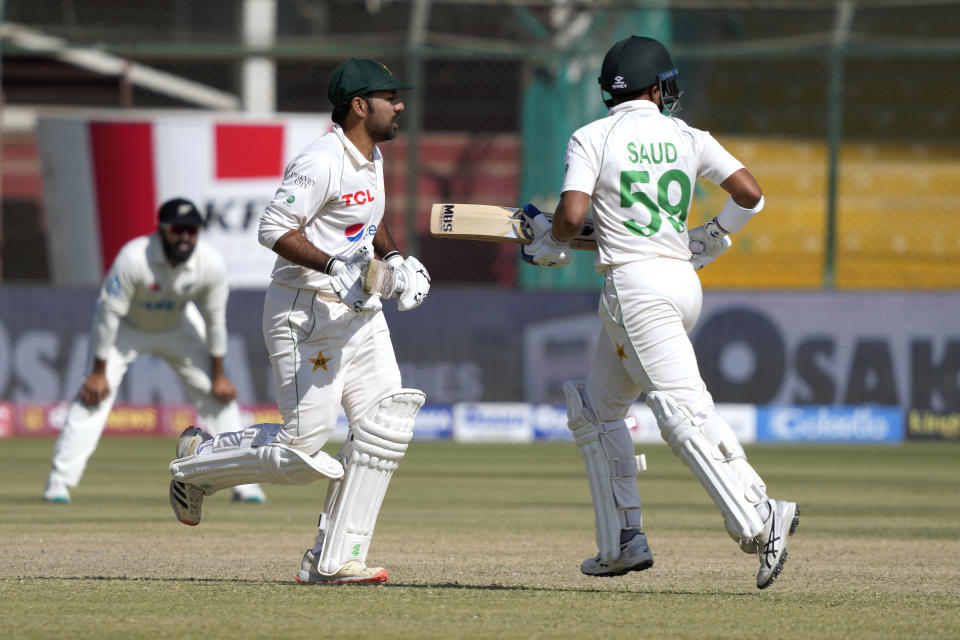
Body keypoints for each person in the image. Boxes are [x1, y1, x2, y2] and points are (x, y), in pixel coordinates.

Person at [520, 36, 799, 590]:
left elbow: (574, 217)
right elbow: (751, 194)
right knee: (597, 411)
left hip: (635, 291)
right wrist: (715, 236)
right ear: (655, 87)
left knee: (682, 412)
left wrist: (549, 241)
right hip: (678, 280)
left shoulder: (591, 136)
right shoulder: (687, 135)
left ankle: (759, 514)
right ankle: (623, 541)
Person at [166, 58, 430, 585]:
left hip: (361, 314)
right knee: (300, 453)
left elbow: (367, 224)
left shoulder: (372, 154)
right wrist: (334, 266)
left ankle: (334, 560)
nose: (400, 105)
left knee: (383, 429)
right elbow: (272, 228)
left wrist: (396, 259)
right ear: (360, 105)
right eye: (389, 97)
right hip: (305, 313)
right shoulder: (321, 161)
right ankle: (198, 461)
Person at [42, 198, 265, 505]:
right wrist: (97, 373)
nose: (186, 236)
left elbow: (215, 321)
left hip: (178, 326)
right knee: (93, 397)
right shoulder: (134, 258)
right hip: (127, 329)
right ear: (162, 230)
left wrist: (219, 376)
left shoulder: (210, 263)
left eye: (192, 230)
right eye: (178, 229)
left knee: (219, 397)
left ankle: (246, 486)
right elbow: (107, 315)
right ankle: (59, 483)